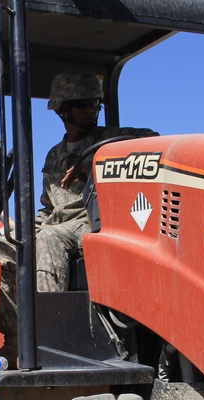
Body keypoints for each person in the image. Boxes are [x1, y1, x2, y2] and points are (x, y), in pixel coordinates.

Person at [35, 70, 156, 291]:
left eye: (94, 102)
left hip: (94, 224)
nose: (90, 109)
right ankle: (15, 323)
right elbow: (49, 208)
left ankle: (51, 320)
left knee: (49, 238)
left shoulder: (113, 140)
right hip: (58, 223)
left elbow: (153, 141)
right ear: (62, 109)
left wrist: (93, 168)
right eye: (81, 103)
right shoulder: (54, 155)